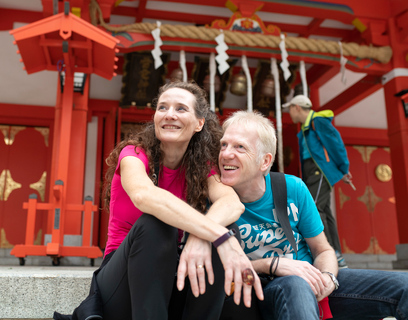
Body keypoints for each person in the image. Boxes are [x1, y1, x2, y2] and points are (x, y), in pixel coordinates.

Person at [56, 81, 263, 320]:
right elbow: (145, 196)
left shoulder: (200, 166)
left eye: (181, 109)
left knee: (225, 226)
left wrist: (202, 236)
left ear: (199, 123)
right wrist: (218, 236)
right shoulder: (134, 155)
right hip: (123, 283)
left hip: (171, 278)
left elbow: (231, 203)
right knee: (156, 224)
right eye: (162, 108)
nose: (169, 115)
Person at [219, 110, 408, 320]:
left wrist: (327, 278)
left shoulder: (292, 188)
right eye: (223, 145)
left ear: (265, 161)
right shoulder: (212, 198)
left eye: (240, 147)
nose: (226, 154)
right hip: (260, 290)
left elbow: (323, 249)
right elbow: (216, 268)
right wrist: (270, 264)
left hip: (312, 280)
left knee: (403, 286)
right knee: (295, 284)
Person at [283, 95, 351, 268]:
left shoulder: (317, 121)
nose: (289, 112)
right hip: (313, 171)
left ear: (297, 107)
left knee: (314, 208)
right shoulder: (306, 126)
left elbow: (335, 144)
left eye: (290, 108)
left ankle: (329, 252)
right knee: (325, 211)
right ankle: (336, 254)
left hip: (319, 171)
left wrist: (343, 168)